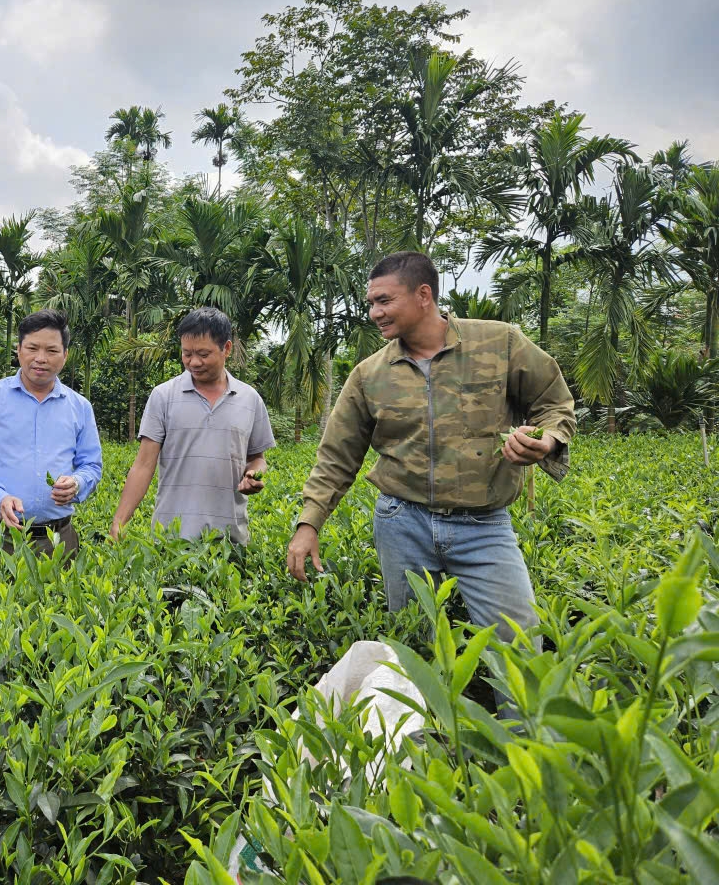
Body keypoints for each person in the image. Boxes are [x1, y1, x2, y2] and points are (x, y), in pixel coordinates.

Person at [286, 251, 577, 641]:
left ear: (424, 295)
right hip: (402, 524)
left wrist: (548, 440)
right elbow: (336, 457)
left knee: (519, 647)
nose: (375, 312)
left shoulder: (500, 342)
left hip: (484, 525)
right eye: (371, 303)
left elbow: (554, 401)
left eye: (384, 300)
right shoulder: (368, 375)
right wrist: (308, 524)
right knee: (413, 648)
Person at [110, 307, 275, 546]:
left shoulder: (250, 399)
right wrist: (119, 522)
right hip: (171, 539)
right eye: (186, 353)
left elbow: (257, 458)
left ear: (226, 348)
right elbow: (144, 465)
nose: (194, 362)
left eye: (203, 354)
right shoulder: (163, 396)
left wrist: (254, 474)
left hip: (231, 539)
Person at [0, 309, 103, 556]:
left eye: (52, 351)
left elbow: (91, 464)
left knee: (59, 595)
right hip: (0, 536)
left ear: (65, 355)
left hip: (59, 539)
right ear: (19, 350)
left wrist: (77, 484)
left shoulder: (80, 407)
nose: (41, 358)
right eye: (32, 348)